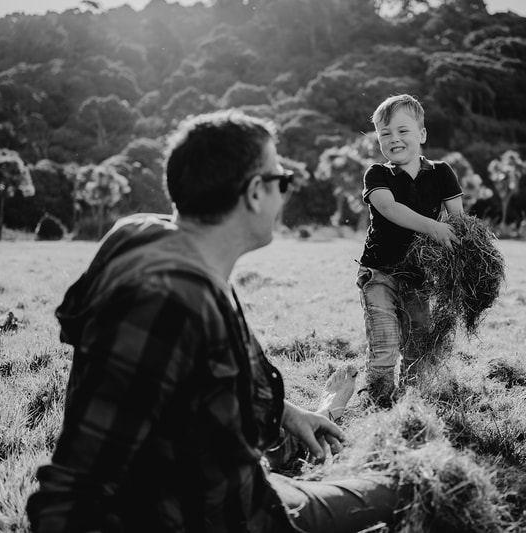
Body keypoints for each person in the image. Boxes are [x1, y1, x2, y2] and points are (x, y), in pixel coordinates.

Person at [26, 110, 398, 533]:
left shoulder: (154, 241)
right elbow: (79, 484)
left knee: (335, 463)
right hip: (229, 515)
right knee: (407, 488)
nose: (285, 192)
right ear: (255, 193)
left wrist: (289, 413)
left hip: (226, 482)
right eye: (282, 180)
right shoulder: (165, 302)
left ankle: (320, 421)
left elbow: (214, 377)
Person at [356, 94, 464, 406]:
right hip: (378, 272)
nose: (394, 139)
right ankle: (377, 403)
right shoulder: (377, 174)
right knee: (386, 343)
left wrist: (462, 257)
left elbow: (458, 220)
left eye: (403, 131)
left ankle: (411, 404)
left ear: (422, 134)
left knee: (419, 342)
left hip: (419, 277)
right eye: (385, 134)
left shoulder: (442, 172)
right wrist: (432, 226)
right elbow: (390, 208)